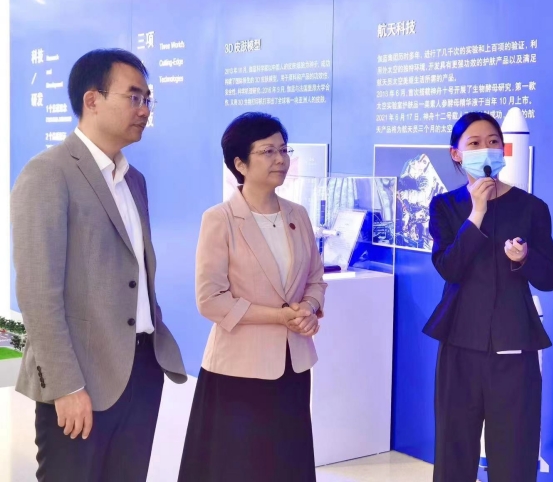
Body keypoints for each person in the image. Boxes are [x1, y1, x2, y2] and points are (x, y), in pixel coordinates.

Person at [11, 49, 187, 481]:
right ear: (92, 100)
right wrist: (66, 386)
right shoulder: (48, 173)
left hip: (141, 371)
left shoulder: (133, 180)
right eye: (134, 97)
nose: (144, 110)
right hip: (81, 379)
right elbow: (38, 293)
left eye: (148, 99)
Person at [178, 112, 327, 482]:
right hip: (238, 369)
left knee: (286, 463)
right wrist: (279, 316)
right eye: (267, 151)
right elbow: (210, 299)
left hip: (292, 364)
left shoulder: (298, 215)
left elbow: (315, 279)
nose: (280, 159)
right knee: (241, 466)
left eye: (283, 150)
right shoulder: (220, 218)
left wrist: (309, 308)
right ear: (240, 164)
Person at [423, 112, 553, 482]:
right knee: (453, 449)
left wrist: (525, 258)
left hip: (514, 344)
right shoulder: (445, 207)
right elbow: (450, 268)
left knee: (515, 451)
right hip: (459, 343)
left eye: (493, 142)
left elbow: (551, 277)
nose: (486, 149)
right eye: (474, 143)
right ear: (456, 154)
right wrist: (478, 212)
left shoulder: (531, 207)